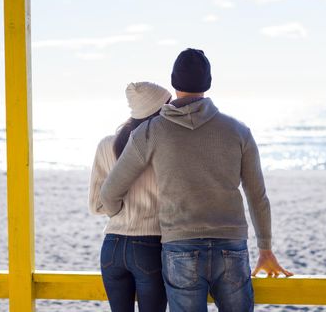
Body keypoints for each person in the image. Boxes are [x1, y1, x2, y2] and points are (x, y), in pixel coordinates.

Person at [100, 49, 293, 312]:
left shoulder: (150, 131)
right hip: (231, 247)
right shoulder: (238, 131)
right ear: (208, 83)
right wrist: (266, 249)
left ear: (174, 83)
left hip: (180, 249)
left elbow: (110, 193)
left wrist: (116, 214)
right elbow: (257, 196)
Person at [88, 81, 172, 312]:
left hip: (111, 247)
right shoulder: (164, 146)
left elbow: (96, 205)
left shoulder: (106, 144)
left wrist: (117, 209)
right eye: (169, 105)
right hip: (150, 245)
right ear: (159, 110)